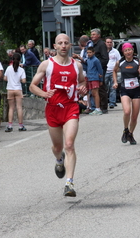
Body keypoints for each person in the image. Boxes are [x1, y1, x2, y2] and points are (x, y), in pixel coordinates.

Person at [29, 33, 87, 197]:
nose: (63, 45)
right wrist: (44, 94)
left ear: (70, 46)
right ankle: (59, 160)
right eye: (60, 43)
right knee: (57, 147)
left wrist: (83, 88)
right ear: (55, 46)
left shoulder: (77, 66)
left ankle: (69, 183)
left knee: (69, 144)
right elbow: (32, 86)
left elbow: (82, 82)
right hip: (53, 109)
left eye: (66, 43)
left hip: (70, 108)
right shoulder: (47, 65)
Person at [112, 43, 140, 145]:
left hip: (136, 90)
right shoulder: (120, 62)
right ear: (123, 52)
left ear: (132, 51)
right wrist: (115, 82)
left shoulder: (138, 61)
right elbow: (114, 71)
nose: (128, 52)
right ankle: (125, 129)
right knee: (127, 111)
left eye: (130, 50)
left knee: (134, 117)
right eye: (126, 50)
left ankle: (130, 134)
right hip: (125, 90)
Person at [3, 53, 27, 132]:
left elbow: (5, 78)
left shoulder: (9, 68)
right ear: (20, 60)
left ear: (12, 60)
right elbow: (24, 81)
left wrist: (11, 79)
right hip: (18, 89)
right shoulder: (21, 70)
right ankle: (20, 125)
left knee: (11, 108)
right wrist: (18, 80)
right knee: (19, 108)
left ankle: (10, 125)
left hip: (10, 89)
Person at [91, 28, 109, 114]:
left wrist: (99, 67)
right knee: (97, 88)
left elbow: (105, 58)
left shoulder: (101, 44)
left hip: (100, 69)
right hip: (94, 69)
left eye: (94, 34)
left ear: (99, 35)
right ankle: (98, 106)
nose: (92, 36)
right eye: (91, 35)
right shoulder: (93, 44)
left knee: (101, 87)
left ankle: (104, 106)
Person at [86, 47, 103, 115]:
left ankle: (98, 108)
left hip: (95, 78)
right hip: (89, 78)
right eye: (87, 52)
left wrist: (101, 80)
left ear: (93, 52)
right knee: (92, 94)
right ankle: (95, 108)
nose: (89, 54)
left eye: (90, 52)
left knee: (95, 93)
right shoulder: (88, 60)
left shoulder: (96, 60)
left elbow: (100, 70)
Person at [105, 37, 121, 109]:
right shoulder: (103, 51)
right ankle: (104, 102)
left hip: (113, 72)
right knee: (104, 88)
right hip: (105, 72)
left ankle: (112, 103)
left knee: (113, 88)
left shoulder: (115, 51)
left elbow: (119, 61)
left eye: (110, 42)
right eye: (107, 42)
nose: (109, 44)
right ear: (105, 43)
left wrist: (117, 69)